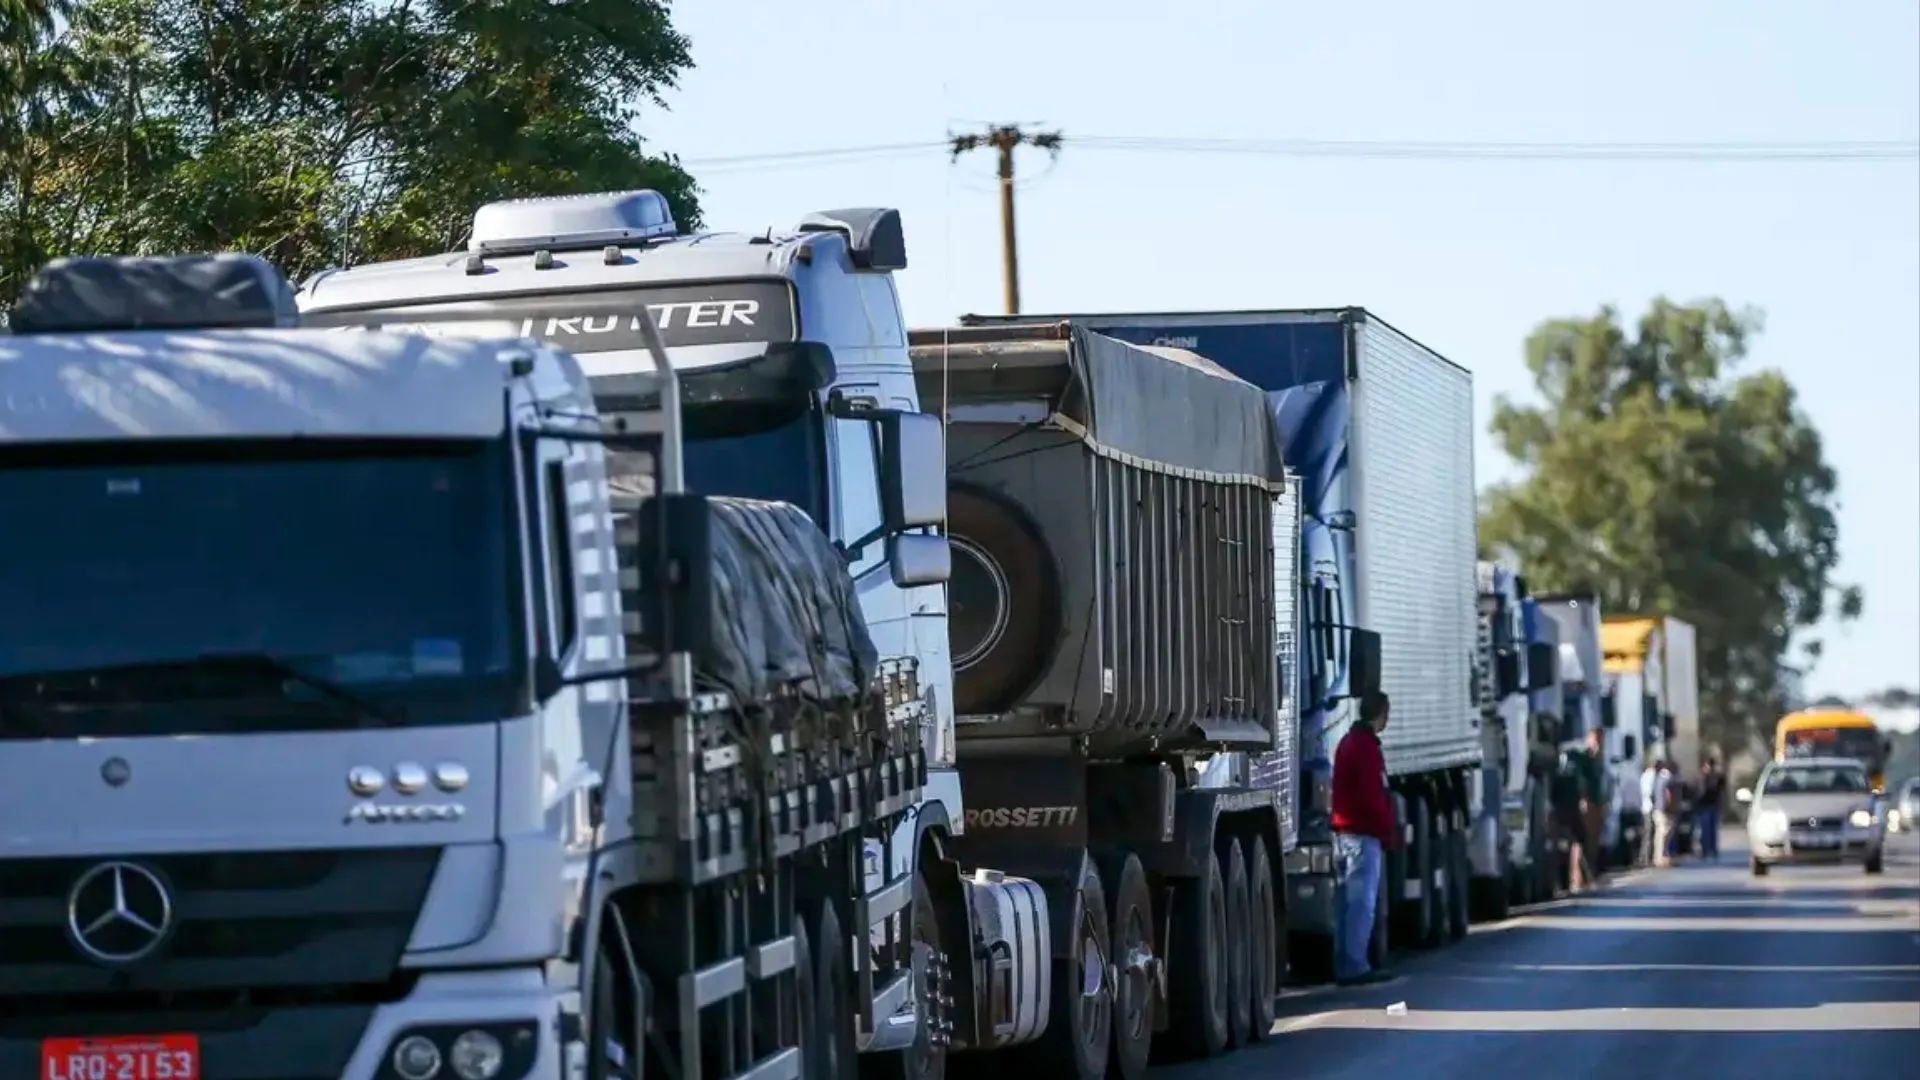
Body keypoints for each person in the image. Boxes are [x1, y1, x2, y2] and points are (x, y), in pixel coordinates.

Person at [1331, 691, 1396, 986]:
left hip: (1344, 834)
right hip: (1362, 835)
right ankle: (1356, 965)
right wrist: (1387, 829)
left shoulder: (1348, 742)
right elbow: (1373, 795)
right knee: (1362, 904)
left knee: (1347, 905)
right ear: (1380, 714)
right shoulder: (1366, 747)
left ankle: (1346, 963)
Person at [1695, 759, 1725, 861]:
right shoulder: (1701, 778)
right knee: (1704, 830)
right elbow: (1697, 793)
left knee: (1712, 830)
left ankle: (1712, 850)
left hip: (1713, 806)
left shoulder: (1717, 778)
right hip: (1703, 806)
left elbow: (1720, 793)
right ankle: (1705, 850)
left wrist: (1720, 806)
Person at [1648, 758, 1675, 867]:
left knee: (1663, 832)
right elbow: (1667, 794)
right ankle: (1659, 857)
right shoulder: (1661, 778)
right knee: (1662, 831)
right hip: (1660, 809)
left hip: (1659, 808)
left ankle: (1660, 855)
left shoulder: (1657, 778)